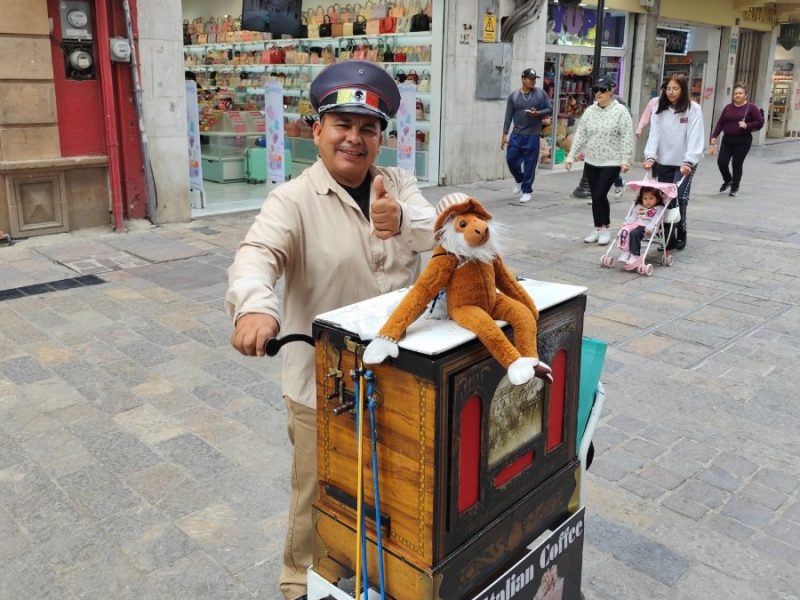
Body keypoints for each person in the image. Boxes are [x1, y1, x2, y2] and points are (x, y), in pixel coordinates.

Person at [225, 60, 436, 600]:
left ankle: (381, 573)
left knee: (392, 486)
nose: (354, 138)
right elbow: (257, 254)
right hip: (324, 388)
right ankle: (301, 583)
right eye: (342, 124)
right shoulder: (291, 200)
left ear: (380, 138)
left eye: (368, 128)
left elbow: (443, 233)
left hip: (398, 378)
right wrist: (255, 306)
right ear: (316, 131)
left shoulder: (401, 184)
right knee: (318, 494)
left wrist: (404, 224)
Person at [565, 75, 634, 246]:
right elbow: (581, 134)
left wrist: (626, 159)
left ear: (611, 91)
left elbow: (627, 136)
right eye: (596, 90)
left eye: (602, 90)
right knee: (596, 198)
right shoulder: (590, 111)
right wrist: (571, 156)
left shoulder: (620, 112)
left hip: (611, 161)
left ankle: (606, 228)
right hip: (592, 160)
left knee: (599, 194)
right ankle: (597, 227)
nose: (598, 93)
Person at [643, 73, 704, 251]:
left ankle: (681, 231)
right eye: (668, 88)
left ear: (683, 90)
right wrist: (650, 156)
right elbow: (654, 135)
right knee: (664, 198)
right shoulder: (658, 109)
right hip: (664, 161)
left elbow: (695, 136)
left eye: (675, 88)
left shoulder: (693, 109)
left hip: (685, 162)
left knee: (680, 197)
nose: (671, 92)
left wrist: (689, 161)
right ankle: (667, 237)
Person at [501, 68, 553, 204]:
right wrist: (504, 134)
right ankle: (519, 179)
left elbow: (550, 109)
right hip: (517, 134)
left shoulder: (540, 94)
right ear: (523, 79)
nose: (533, 81)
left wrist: (539, 113)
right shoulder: (514, 96)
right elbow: (508, 116)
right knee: (511, 159)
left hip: (533, 135)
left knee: (530, 164)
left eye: (535, 79)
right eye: (530, 78)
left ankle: (526, 191)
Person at [709, 82, 764, 197]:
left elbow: (759, 122)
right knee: (722, 162)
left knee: (736, 164)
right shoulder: (728, 108)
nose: (737, 95)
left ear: (745, 95)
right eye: (735, 93)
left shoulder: (751, 107)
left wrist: (747, 125)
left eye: (740, 93)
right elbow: (720, 123)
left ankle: (734, 187)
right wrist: (714, 136)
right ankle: (728, 179)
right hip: (727, 139)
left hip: (743, 140)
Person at [617, 186, 665, 270]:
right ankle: (626, 252)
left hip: (646, 227)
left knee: (634, 233)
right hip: (635, 224)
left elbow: (655, 219)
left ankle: (635, 254)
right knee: (625, 231)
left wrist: (650, 227)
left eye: (651, 198)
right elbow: (632, 217)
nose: (648, 201)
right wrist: (625, 224)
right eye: (645, 198)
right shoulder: (639, 206)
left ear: (657, 200)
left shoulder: (658, 209)